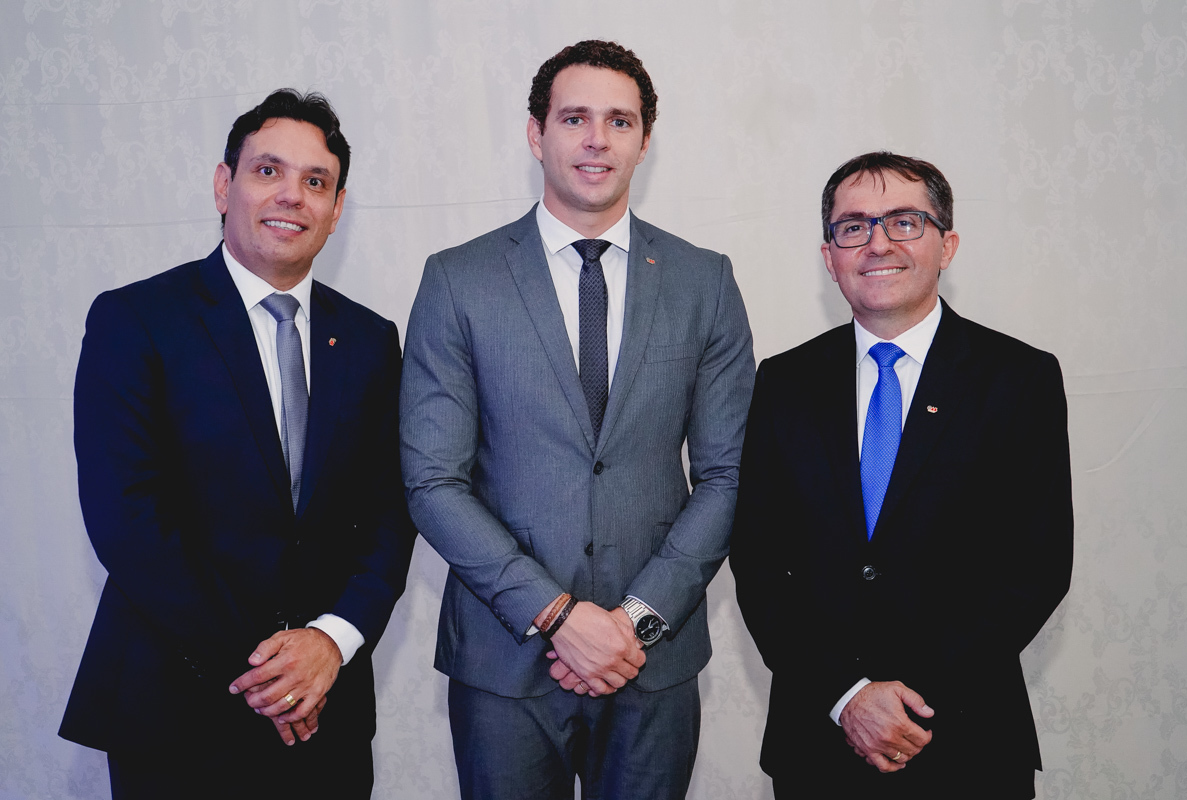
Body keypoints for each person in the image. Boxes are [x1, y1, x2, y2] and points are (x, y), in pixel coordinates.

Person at [399, 40, 755, 800]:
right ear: (537, 134)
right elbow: (432, 481)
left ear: (644, 141)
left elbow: (728, 476)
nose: (597, 139)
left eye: (619, 121)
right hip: (503, 662)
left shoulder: (705, 282)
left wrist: (633, 621)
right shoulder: (457, 280)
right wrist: (558, 616)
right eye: (574, 119)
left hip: (651, 659)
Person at [59, 89, 415, 799]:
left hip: (327, 709)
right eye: (268, 171)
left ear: (337, 207)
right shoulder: (137, 319)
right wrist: (269, 672)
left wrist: (331, 641)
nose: (292, 195)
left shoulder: (371, 341)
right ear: (224, 186)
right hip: (177, 708)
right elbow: (127, 519)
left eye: (316, 181)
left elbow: (391, 512)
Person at [730, 151, 1073, 799]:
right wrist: (847, 696)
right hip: (819, 741)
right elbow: (760, 561)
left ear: (947, 245)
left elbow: (1037, 567)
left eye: (904, 222)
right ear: (829, 257)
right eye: (853, 226)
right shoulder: (784, 382)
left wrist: (910, 700)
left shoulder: (1018, 378)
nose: (878, 242)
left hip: (966, 739)